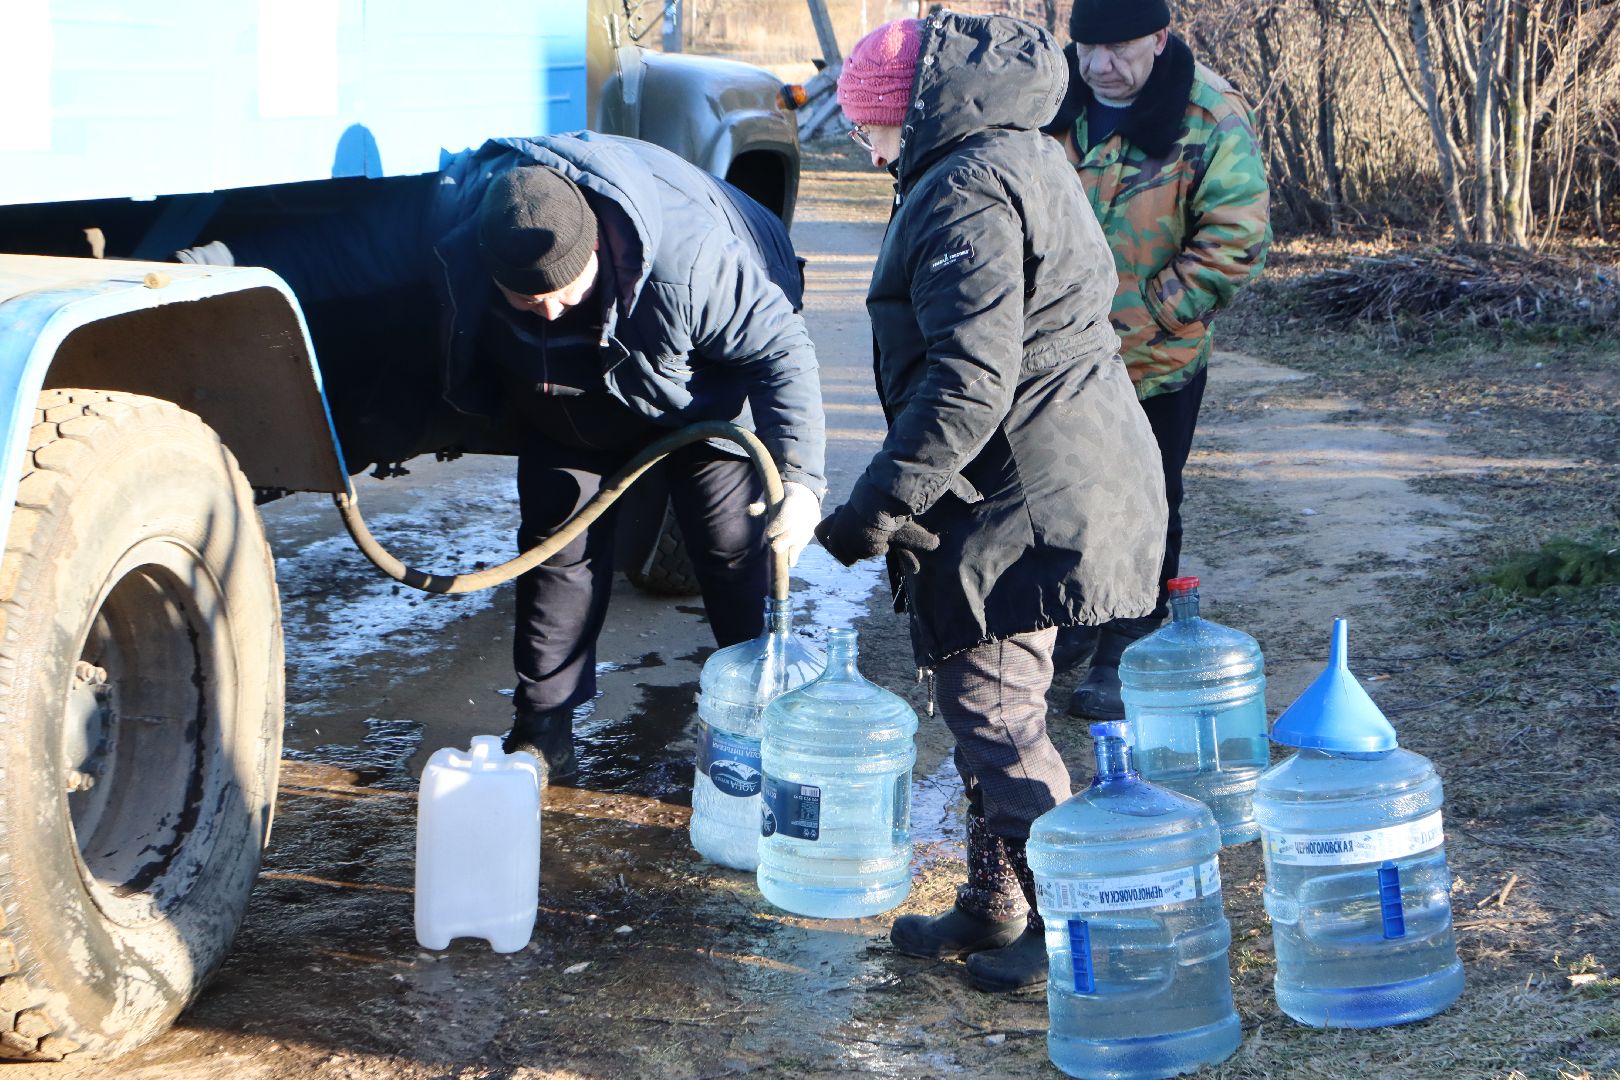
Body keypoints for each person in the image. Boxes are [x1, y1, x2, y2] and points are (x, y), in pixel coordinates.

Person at [179, 134, 826, 784]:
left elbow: (779, 351)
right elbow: (340, 250)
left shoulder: (691, 261)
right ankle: (544, 734)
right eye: (526, 300)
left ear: (596, 248)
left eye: (565, 295)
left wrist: (801, 480)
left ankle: (771, 730)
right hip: (564, 395)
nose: (547, 310)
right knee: (557, 550)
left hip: (697, 382)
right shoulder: (456, 217)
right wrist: (197, 266)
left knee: (730, 545)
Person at [815, 14, 1167, 993]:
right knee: (989, 712)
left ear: (908, 110)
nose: (862, 143)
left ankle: (1071, 934)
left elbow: (969, 381)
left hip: (1028, 495)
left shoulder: (966, 187)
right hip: (1041, 476)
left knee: (999, 716)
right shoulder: (1004, 155)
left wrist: (877, 505)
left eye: (867, 124)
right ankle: (995, 903)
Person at [1045, 0, 1272, 719]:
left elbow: (1237, 236)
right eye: (1087, 50)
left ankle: (1127, 639)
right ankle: (1071, 619)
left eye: (1119, 50)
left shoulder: (1208, 113)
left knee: (1145, 496)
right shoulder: (1052, 101)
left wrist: (1156, 313)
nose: (1100, 67)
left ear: (1161, 39)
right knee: (1058, 490)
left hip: (1156, 359)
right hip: (1053, 352)